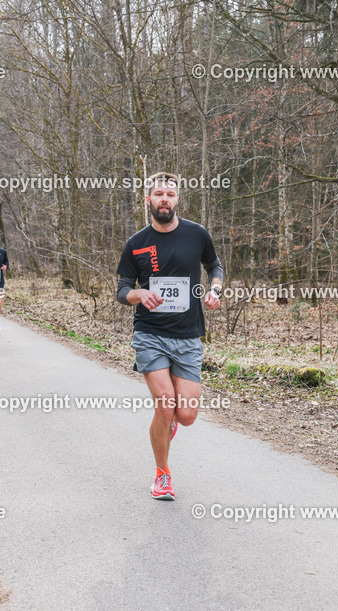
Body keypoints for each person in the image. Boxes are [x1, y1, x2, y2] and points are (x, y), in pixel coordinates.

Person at [116, 172, 223, 500]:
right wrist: (138, 296)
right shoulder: (136, 243)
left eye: (170, 194)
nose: (165, 199)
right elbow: (122, 289)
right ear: (148, 199)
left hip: (189, 335)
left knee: (186, 416)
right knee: (165, 405)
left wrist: (215, 290)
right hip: (150, 334)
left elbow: (214, 266)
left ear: (177, 200)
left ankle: (170, 424)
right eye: (158, 194)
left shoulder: (197, 234)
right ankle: (162, 474)